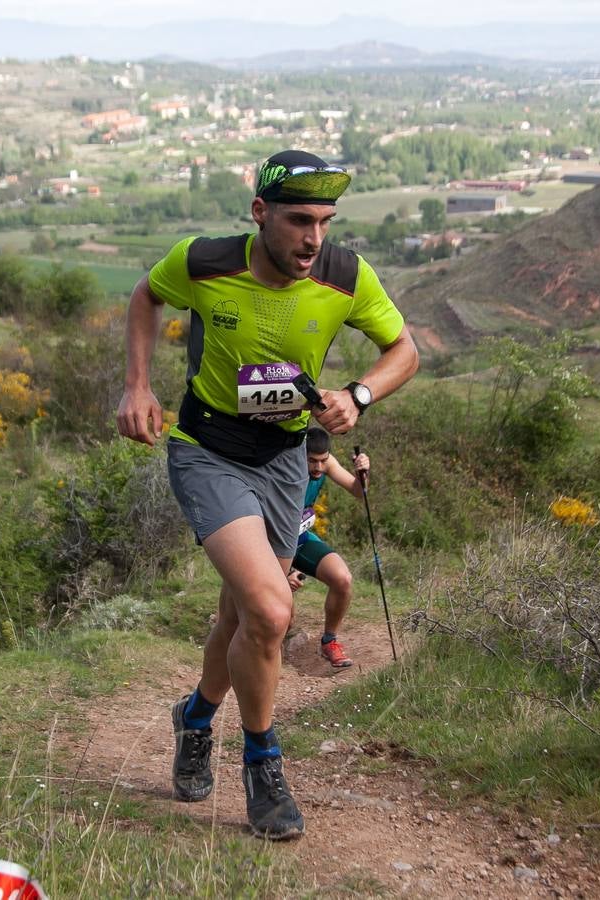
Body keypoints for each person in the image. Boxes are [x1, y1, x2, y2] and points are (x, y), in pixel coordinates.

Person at [116, 149, 418, 840]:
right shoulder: (205, 262)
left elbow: (405, 348)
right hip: (207, 451)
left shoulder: (344, 276)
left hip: (284, 459)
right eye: (298, 221)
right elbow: (144, 295)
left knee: (243, 617)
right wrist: (137, 384)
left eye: (325, 222)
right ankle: (262, 764)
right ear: (260, 214)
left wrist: (359, 395)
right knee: (271, 609)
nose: (314, 239)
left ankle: (194, 718)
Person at [287, 427, 371, 668]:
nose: (318, 467)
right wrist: (284, 573)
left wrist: (363, 473)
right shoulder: (285, 469)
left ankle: (329, 641)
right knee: (284, 618)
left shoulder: (325, 464)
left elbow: (359, 491)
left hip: (301, 538)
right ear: (299, 455)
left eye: (323, 461)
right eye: (312, 461)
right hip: (274, 546)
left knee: (343, 579)